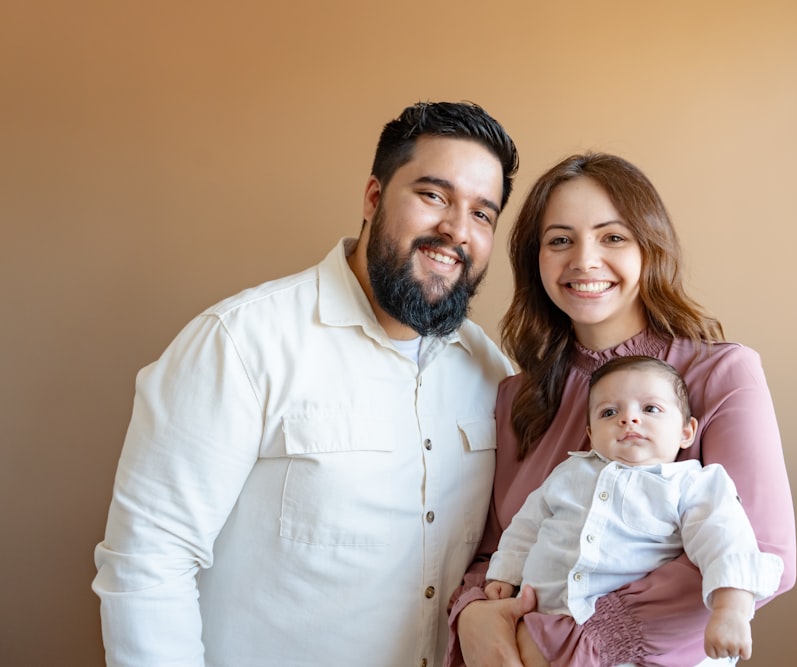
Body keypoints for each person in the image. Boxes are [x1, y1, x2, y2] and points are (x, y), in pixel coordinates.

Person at [93, 101, 519, 667]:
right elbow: (147, 562)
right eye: (433, 195)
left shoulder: (490, 369)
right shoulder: (241, 342)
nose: (456, 230)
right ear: (373, 198)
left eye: (482, 214)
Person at [448, 152, 796, 667]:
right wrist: (475, 614)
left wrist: (576, 646)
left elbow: (766, 553)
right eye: (560, 240)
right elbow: (497, 546)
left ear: (648, 248)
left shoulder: (720, 373)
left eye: (612, 237)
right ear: (535, 259)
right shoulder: (516, 395)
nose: (584, 261)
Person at [483, 356, 783, 663]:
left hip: (631, 650)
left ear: (686, 432)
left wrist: (730, 610)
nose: (628, 419)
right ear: (591, 435)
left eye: (650, 409)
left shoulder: (690, 484)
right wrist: (503, 576)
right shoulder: (568, 474)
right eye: (609, 412)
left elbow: (726, 540)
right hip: (542, 622)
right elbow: (527, 526)